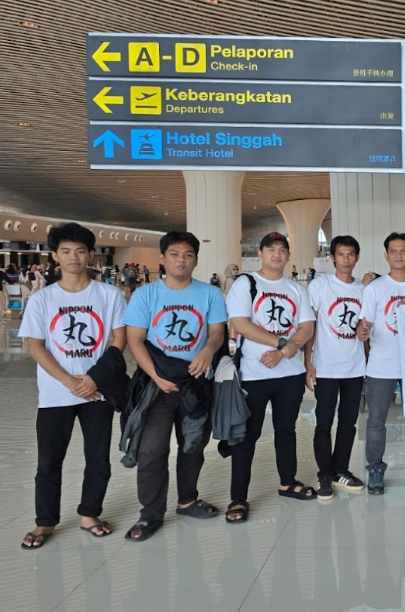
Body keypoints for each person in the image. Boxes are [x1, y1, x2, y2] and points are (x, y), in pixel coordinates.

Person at [17, 223, 127, 549]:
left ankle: (90, 514)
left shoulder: (108, 295)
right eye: (65, 251)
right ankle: (45, 521)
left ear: (90, 254)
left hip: (98, 391)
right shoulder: (42, 299)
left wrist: (93, 379)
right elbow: (35, 346)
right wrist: (70, 381)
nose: (73, 257)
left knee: (98, 458)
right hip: (55, 394)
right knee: (48, 462)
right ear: (55, 256)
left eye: (80, 250)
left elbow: (119, 339)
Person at [122, 231, 227, 541]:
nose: (181, 260)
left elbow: (217, 332)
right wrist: (156, 377)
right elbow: (135, 340)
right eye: (174, 254)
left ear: (195, 259)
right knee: (151, 450)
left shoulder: (209, 294)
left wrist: (208, 351)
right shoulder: (145, 295)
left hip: (196, 383)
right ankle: (150, 514)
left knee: (193, 445)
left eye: (188, 255)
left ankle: (187, 500)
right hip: (157, 386)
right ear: (163, 258)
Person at [224, 232, 317, 523]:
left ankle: (287, 482)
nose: (276, 254)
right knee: (246, 436)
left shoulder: (296, 288)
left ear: (288, 255)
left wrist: (287, 351)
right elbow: (240, 324)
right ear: (260, 254)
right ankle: (238, 498)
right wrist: (281, 345)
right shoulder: (246, 283)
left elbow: (307, 326)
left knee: (286, 431)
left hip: (290, 375)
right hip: (253, 374)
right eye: (271, 249)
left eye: (282, 250)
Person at [357, 233, 405, 494]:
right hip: (382, 363)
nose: (398, 255)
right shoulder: (374, 288)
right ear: (386, 255)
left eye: (403, 251)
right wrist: (363, 331)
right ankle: (375, 469)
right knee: (376, 420)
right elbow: (365, 323)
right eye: (393, 251)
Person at [306, 235, 367, 501]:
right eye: (341, 254)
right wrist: (308, 362)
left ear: (357, 257)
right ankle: (325, 473)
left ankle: (340, 469)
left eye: (351, 254)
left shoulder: (364, 289)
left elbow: (366, 326)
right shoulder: (320, 286)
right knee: (324, 422)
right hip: (326, 368)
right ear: (332, 257)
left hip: (355, 367)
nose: (346, 259)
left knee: (348, 422)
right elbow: (310, 326)